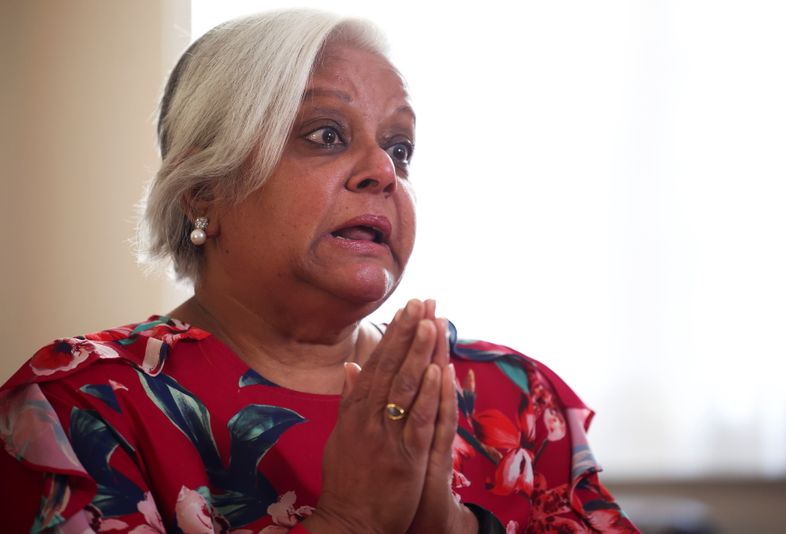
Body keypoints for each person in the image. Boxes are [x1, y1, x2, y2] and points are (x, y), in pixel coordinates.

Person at [0, 9, 639, 533]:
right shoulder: (78, 406)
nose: (383, 172)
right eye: (325, 134)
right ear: (204, 190)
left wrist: (450, 527)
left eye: (399, 148)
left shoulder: (514, 396)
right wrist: (351, 519)